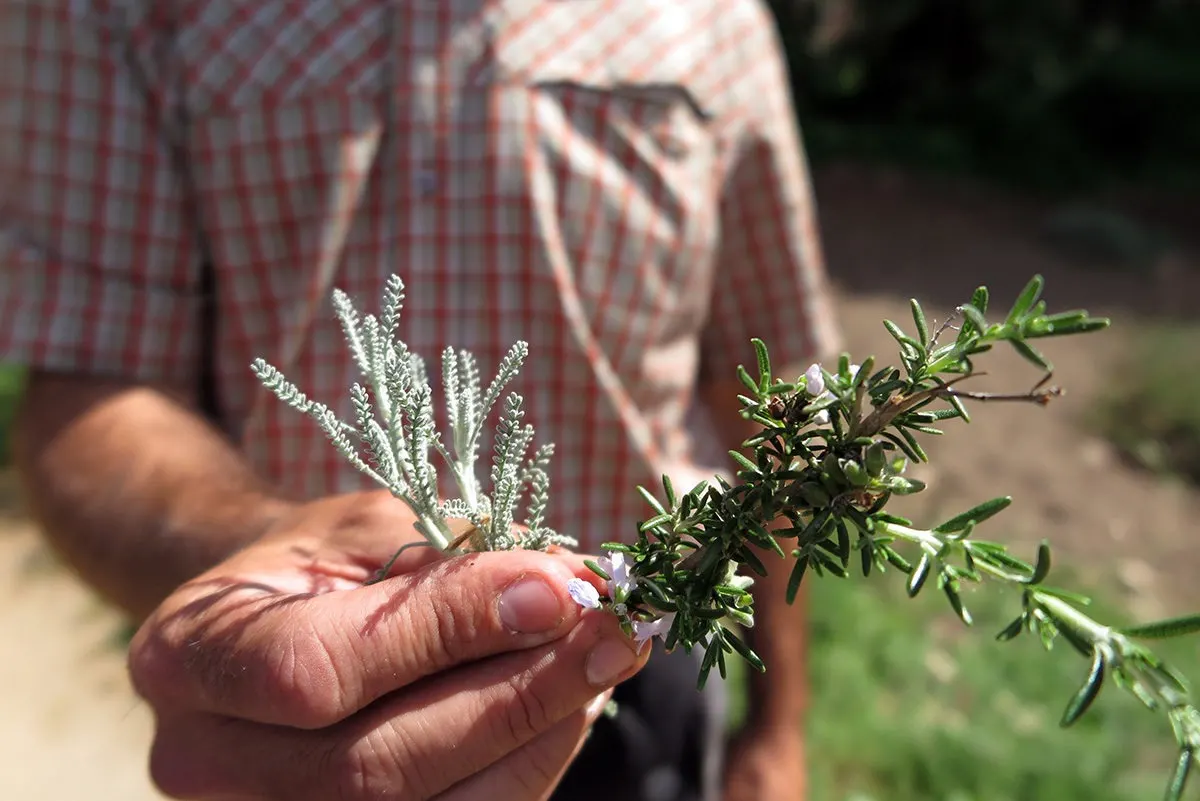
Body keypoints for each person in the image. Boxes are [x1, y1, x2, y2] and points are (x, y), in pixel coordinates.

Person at [0, 2, 839, 800]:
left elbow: (772, 400)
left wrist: (780, 727)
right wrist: (255, 544)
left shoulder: (713, 20)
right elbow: (92, 380)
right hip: (319, 700)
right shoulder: (129, 11)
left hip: (641, 653)